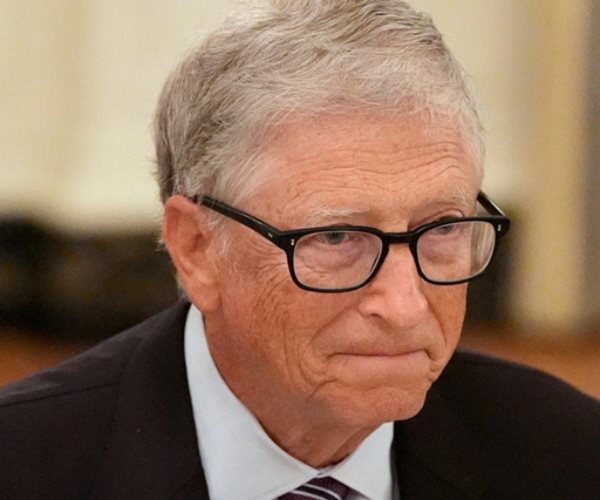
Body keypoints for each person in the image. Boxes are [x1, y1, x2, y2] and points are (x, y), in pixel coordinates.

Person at [1, 1, 598, 499]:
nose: (405, 306)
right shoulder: (23, 466)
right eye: (336, 237)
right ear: (197, 248)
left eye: (441, 229)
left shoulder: (566, 453)